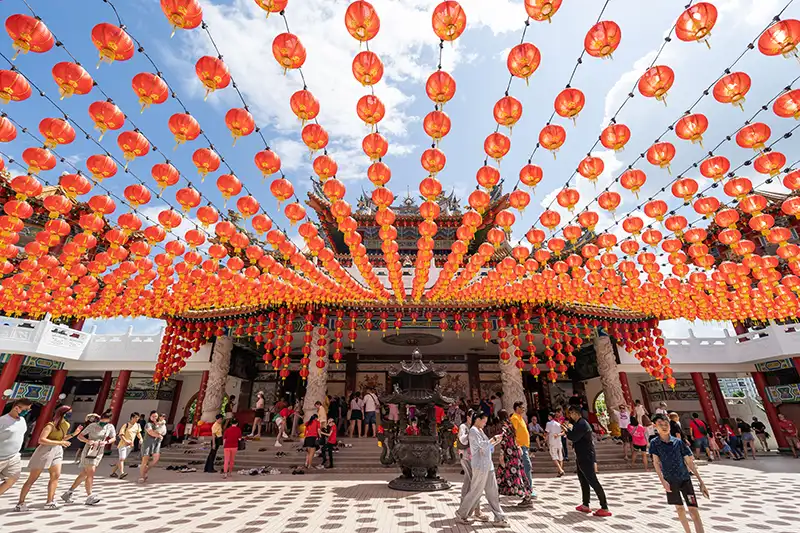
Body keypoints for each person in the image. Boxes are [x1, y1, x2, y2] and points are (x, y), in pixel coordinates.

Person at [648, 413, 709, 533]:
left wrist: (701, 481)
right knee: (680, 509)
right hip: (670, 481)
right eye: (660, 424)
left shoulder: (679, 442)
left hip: (685, 479)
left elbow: (690, 463)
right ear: (655, 426)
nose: (664, 426)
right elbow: (656, 463)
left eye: (666, 424)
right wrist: (663, 481)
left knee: (693, 510)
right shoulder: (655, 443)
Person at [15, 405, 82, 511]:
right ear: (62, 413)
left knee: (55, 476)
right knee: (33, 478)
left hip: (57, 451)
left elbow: (61, 438)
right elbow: (41, 440)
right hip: (44, 451)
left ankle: (50, 501)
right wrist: (60, 442)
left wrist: (74, 434)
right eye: (69, 412)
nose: (70, 414)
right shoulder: (50, 425)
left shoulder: (66, 425)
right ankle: (20, 503)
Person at [455, 412, 507, 526]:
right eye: (484, 421)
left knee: (493, 492)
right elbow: (483, 446)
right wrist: (493, 439)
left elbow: (487, 446)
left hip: (488, 465)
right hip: (479, 466)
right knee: (475, 492)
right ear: (477, 419)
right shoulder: (473, 431)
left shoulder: (480, 431)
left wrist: (496, 441)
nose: (485, 423)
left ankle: (499, 517)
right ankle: (461, 514)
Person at [564, 405, 611, 517]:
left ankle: (604, 507)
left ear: (576, 413)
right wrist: (567, 427)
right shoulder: (577, 423)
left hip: (586, 456)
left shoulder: (582, 424)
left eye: (571, 413)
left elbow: (573, 436)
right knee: (583, 481)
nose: (570, 416)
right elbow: (572, 430)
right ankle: (585, 504)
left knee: (592, 481)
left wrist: (566, 431)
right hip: (580, 455)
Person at [62, 409, 116, 507]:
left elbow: (113, 438)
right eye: (102, 419)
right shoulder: (92, 425)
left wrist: (106, 442)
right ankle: (89, 496)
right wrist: (88, 441)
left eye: (106, 420)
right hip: (89, 450)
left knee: (85, 473)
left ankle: (68, 492)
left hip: (99, 451)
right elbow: (80, 436)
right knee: (91, 472)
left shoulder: (110, 427)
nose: (103, 422)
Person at [456, 409, 488, 522]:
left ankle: (469, 510)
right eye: (473, 416)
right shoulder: (464, 427)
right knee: (474, 483)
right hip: (466, 458)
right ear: (469, 417)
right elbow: (463, 440)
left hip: (474, 458)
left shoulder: (476, 428)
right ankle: (473, 511)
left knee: (470, 483)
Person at [496, 409, 532, 506]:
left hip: (509, 454)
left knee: (509, 474)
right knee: (516, 474)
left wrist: (501, 455)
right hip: (515, 452)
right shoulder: (510, 425)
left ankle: (526, 496)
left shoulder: (503, 426)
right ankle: (527, 496)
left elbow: (503, 440)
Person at [0, 399, 32, 498]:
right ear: (16, 408)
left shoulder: (22, 420)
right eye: (25, 409)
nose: (27, 412)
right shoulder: (2, 421)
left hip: (14, 456)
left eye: (28, 410)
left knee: (13, 478)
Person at [510, 402, 535, 499]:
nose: (524, 409)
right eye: (522, 407)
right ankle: (528, 488)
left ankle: (525, 487)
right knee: (527, 466)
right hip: (520, 446)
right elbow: (513, 433)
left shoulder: (521, 418)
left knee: (525, 467)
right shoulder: (514, 418)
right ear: (517, 408)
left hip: (525, 446)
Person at [111, 412, 141, 479]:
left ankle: (113, 472)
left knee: (121, 459)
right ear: (132, 418)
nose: (137, 419)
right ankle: (122, 473)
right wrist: (125, 441)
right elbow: (121, 434)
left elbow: (138, 433)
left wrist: (141, 439)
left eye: (138, 417)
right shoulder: (126, 425)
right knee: (122, 458)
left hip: (130, 446)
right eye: (136, 417)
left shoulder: (138, 425)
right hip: (123, 444)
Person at [138, 411, 163, 483]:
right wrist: (159, 435)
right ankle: (142, 476)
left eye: (156, 416)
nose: (155, 418)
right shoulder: (148, 424)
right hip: (147, 443)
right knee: (145, 460)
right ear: (150, 417)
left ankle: (145, 470)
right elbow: (150, 432)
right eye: (153, 416)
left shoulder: (158, 425)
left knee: (156, 459)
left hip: (156, 443)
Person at [545, 412, 565, 477]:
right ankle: (560, 471)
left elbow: (547, 433)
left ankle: (560, 470)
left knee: (554, 456)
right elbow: (563, 432)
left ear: (550, 416)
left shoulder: (549, 423)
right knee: (560, 456)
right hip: (559, 441)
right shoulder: (558, 424)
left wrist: (545, 440)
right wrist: (558, 435)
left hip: (552, 441)